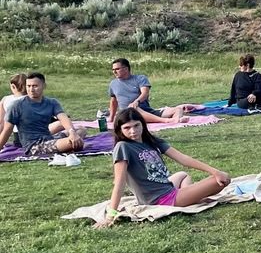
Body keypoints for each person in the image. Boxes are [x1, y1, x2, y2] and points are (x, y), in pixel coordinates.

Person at [95, 108, 231, 227]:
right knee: (223, 180)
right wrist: (110, 216)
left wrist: (214, 171)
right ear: (120, 130)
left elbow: (183, 159)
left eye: (136, 125)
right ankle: (192, 198)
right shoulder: (123, 147)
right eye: (127, 128)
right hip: (161, 199)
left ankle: (191, 197)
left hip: (168, 188)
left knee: (183, 175)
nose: (133, 131)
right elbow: (119, 183)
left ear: (143, 124)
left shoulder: (152, 141)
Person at [0, 72, 86, 156]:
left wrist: (72, 132)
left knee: (81, 130)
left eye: (35, 86)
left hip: (49, 138)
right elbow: (7, 130)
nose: (31, 89)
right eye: (28, 86)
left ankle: (71, 144)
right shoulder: (16, 105)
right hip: (34, 146)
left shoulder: (51, 102)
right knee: (72, 142)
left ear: (43, 86)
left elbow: (63, 117)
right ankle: (73, 145)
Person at [108, 58, 190, 126]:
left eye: (117, 69)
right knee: (132, 108)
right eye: (113, 70)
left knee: (178, 109)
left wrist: (136, 101)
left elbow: (145, 93)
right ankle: (167, 121)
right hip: (127, 114)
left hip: (146, 110)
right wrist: (111, 118)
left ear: (126, 69)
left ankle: (176, 120)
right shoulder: (113, 83)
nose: (114, 72)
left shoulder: (140, 78)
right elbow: (113, 101)